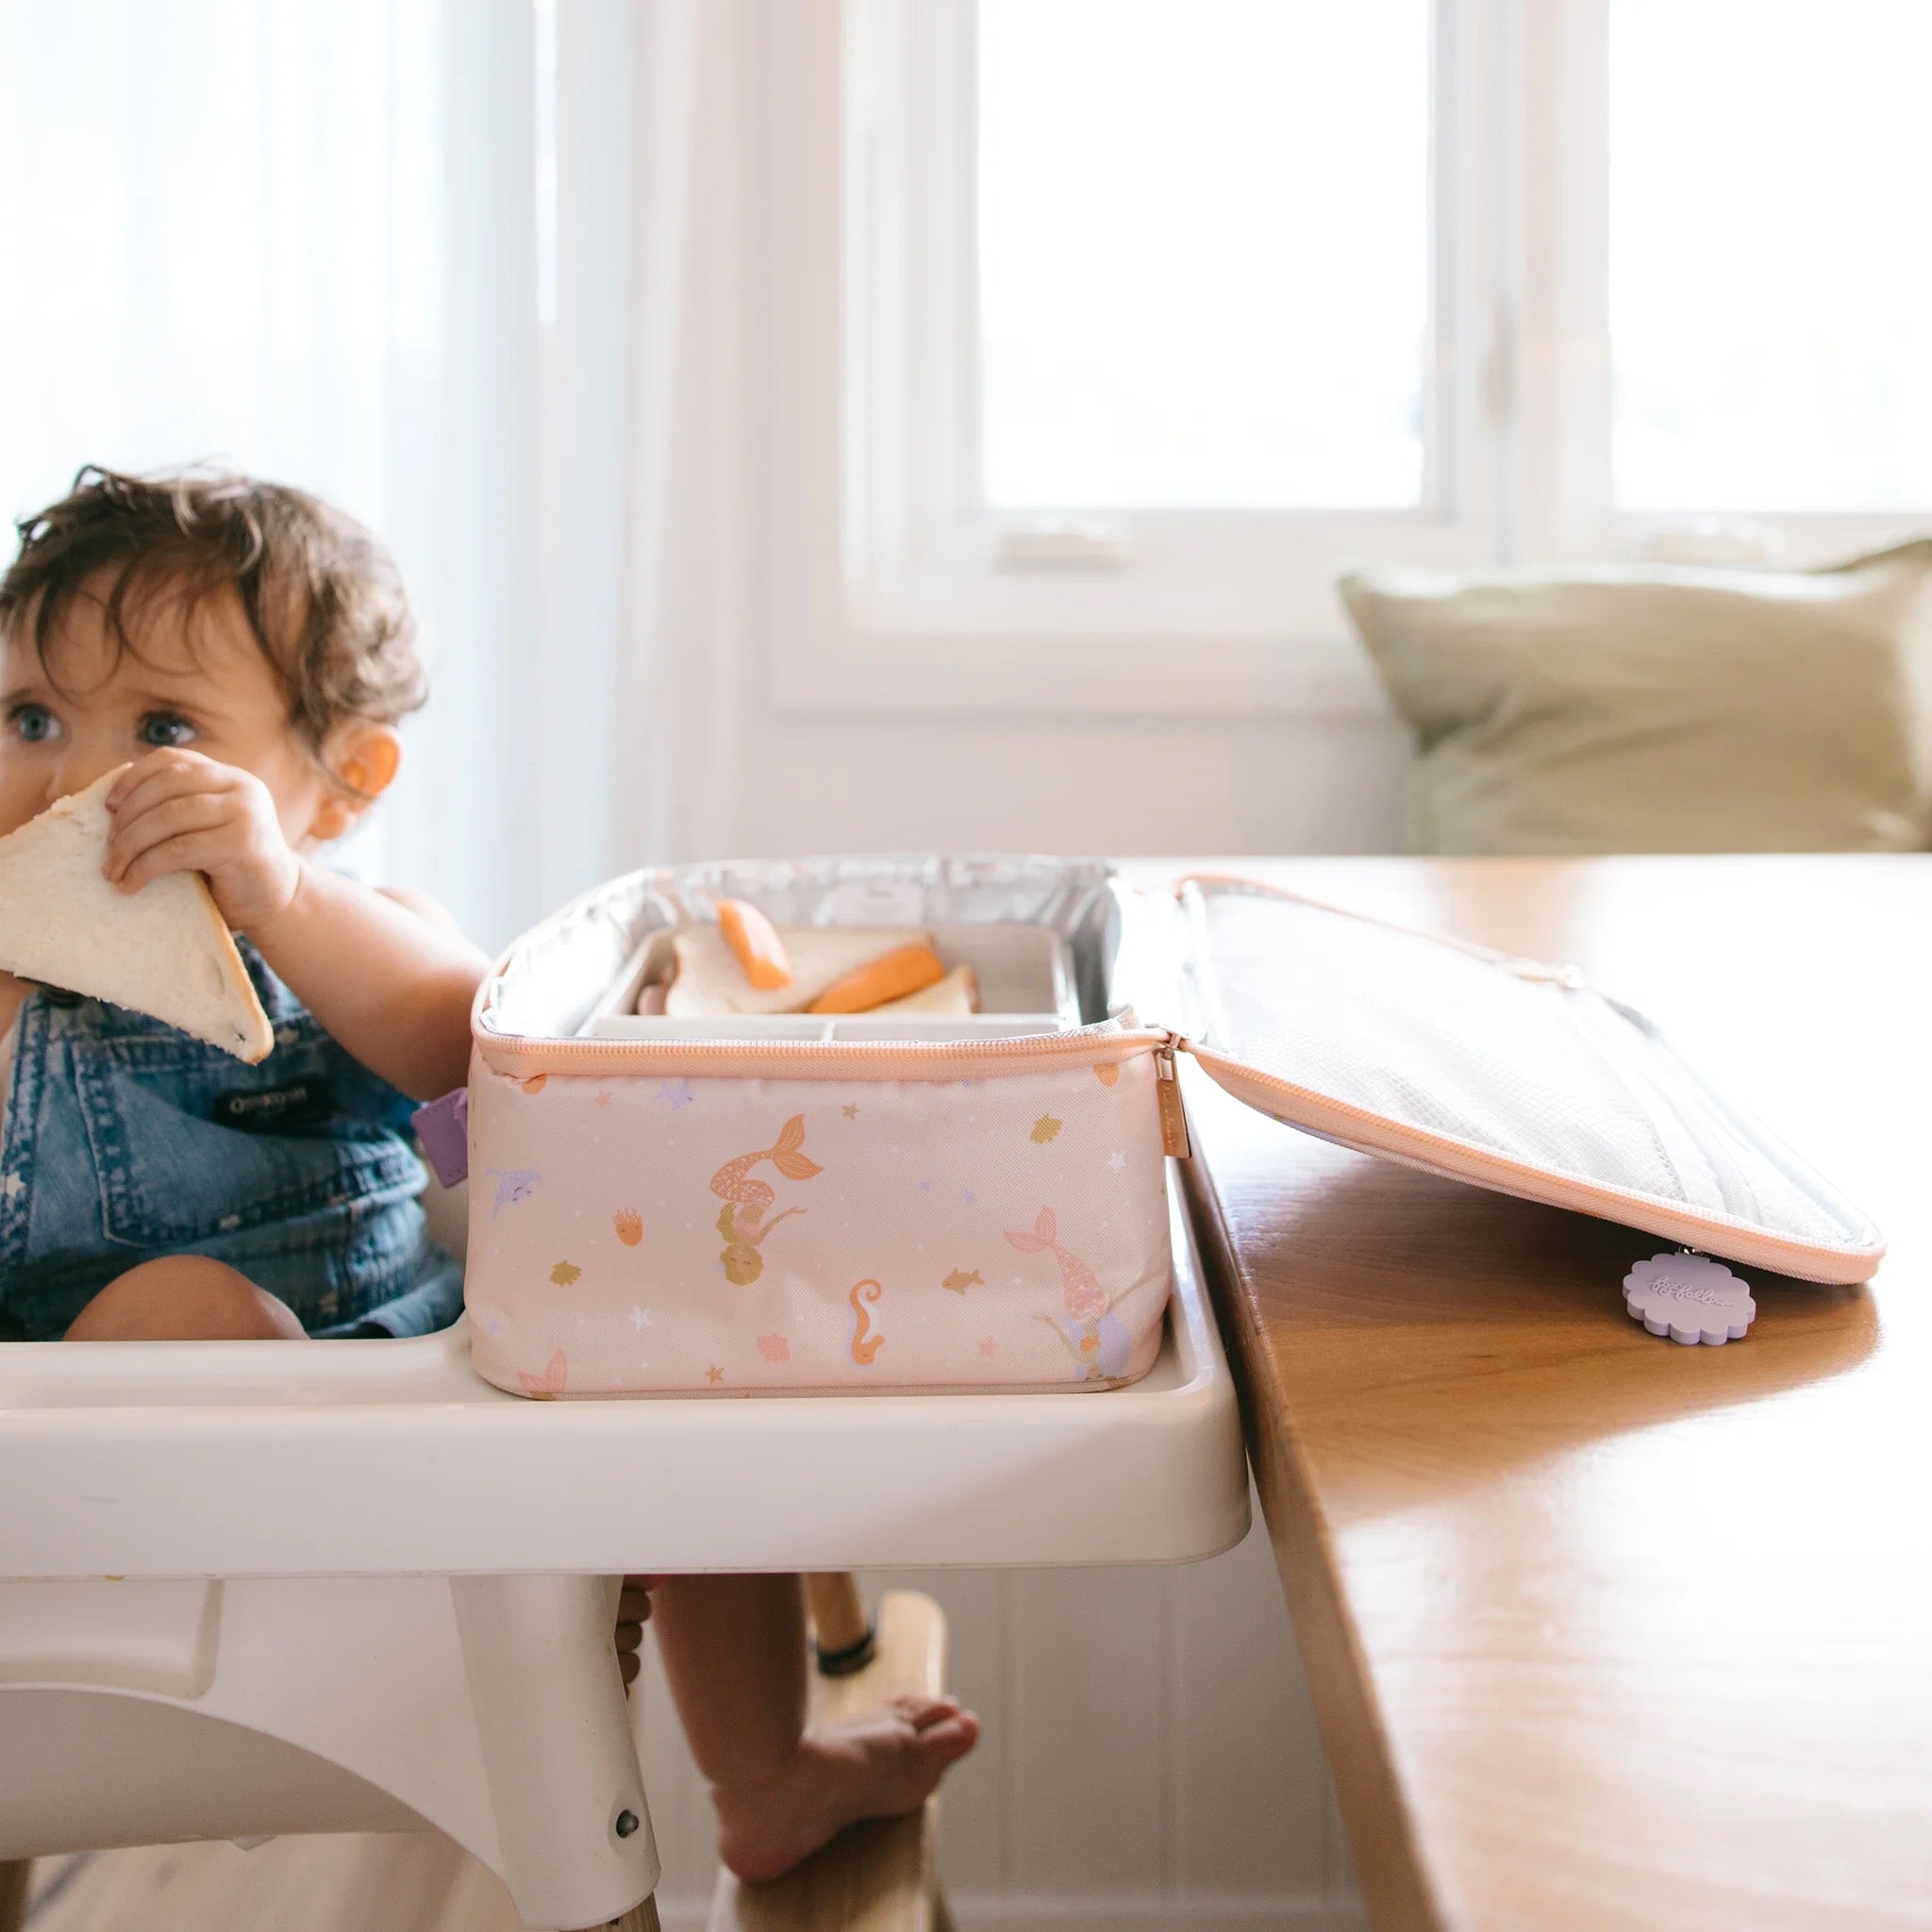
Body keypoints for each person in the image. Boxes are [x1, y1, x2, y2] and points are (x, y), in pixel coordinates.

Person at [0, 466, 977, 1881]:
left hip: (415, 1406)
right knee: (184, 1311)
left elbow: (477, 1055)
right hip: (87, 1483)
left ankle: (763, 1773)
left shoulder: (344, 924)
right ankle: (286, 1683)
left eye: (162, 729)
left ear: (342, 781)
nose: (77, 783)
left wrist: (282, 898)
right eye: (31, 718)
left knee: (675, 1349)